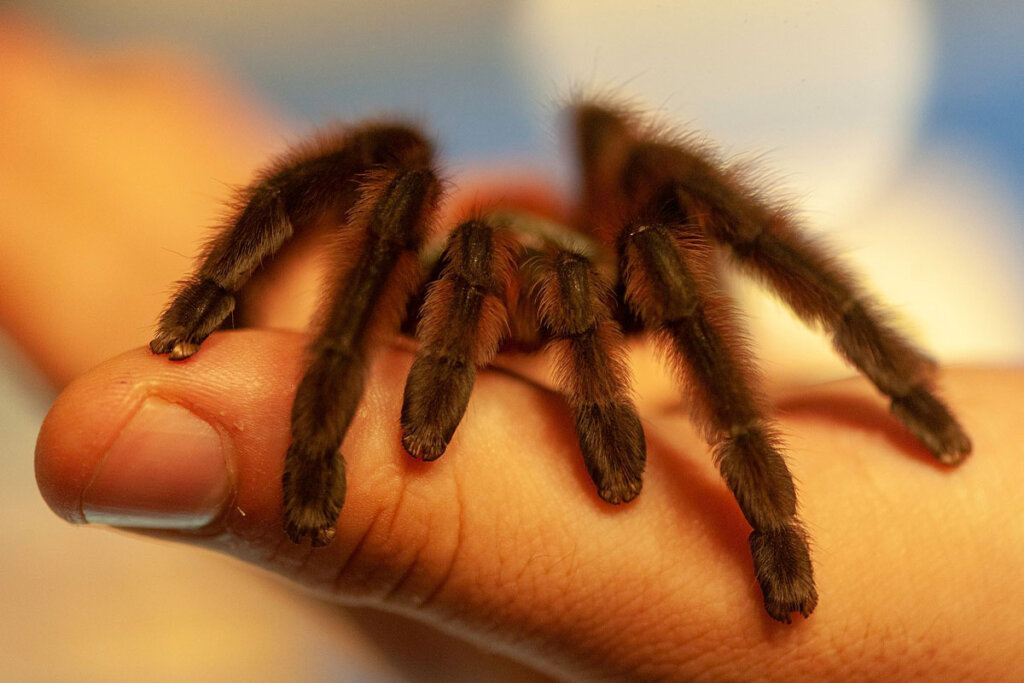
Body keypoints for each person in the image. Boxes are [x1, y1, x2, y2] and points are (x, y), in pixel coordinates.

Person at [8, 18, 1022, 681]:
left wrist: (802, 490)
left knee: (638, 152)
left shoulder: (630, 256)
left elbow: (721, 234)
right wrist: (226, 318)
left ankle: (842, 425)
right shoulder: (426, 248)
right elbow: (328, 209)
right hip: (444, 276)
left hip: (598, 262)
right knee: (385, 160)